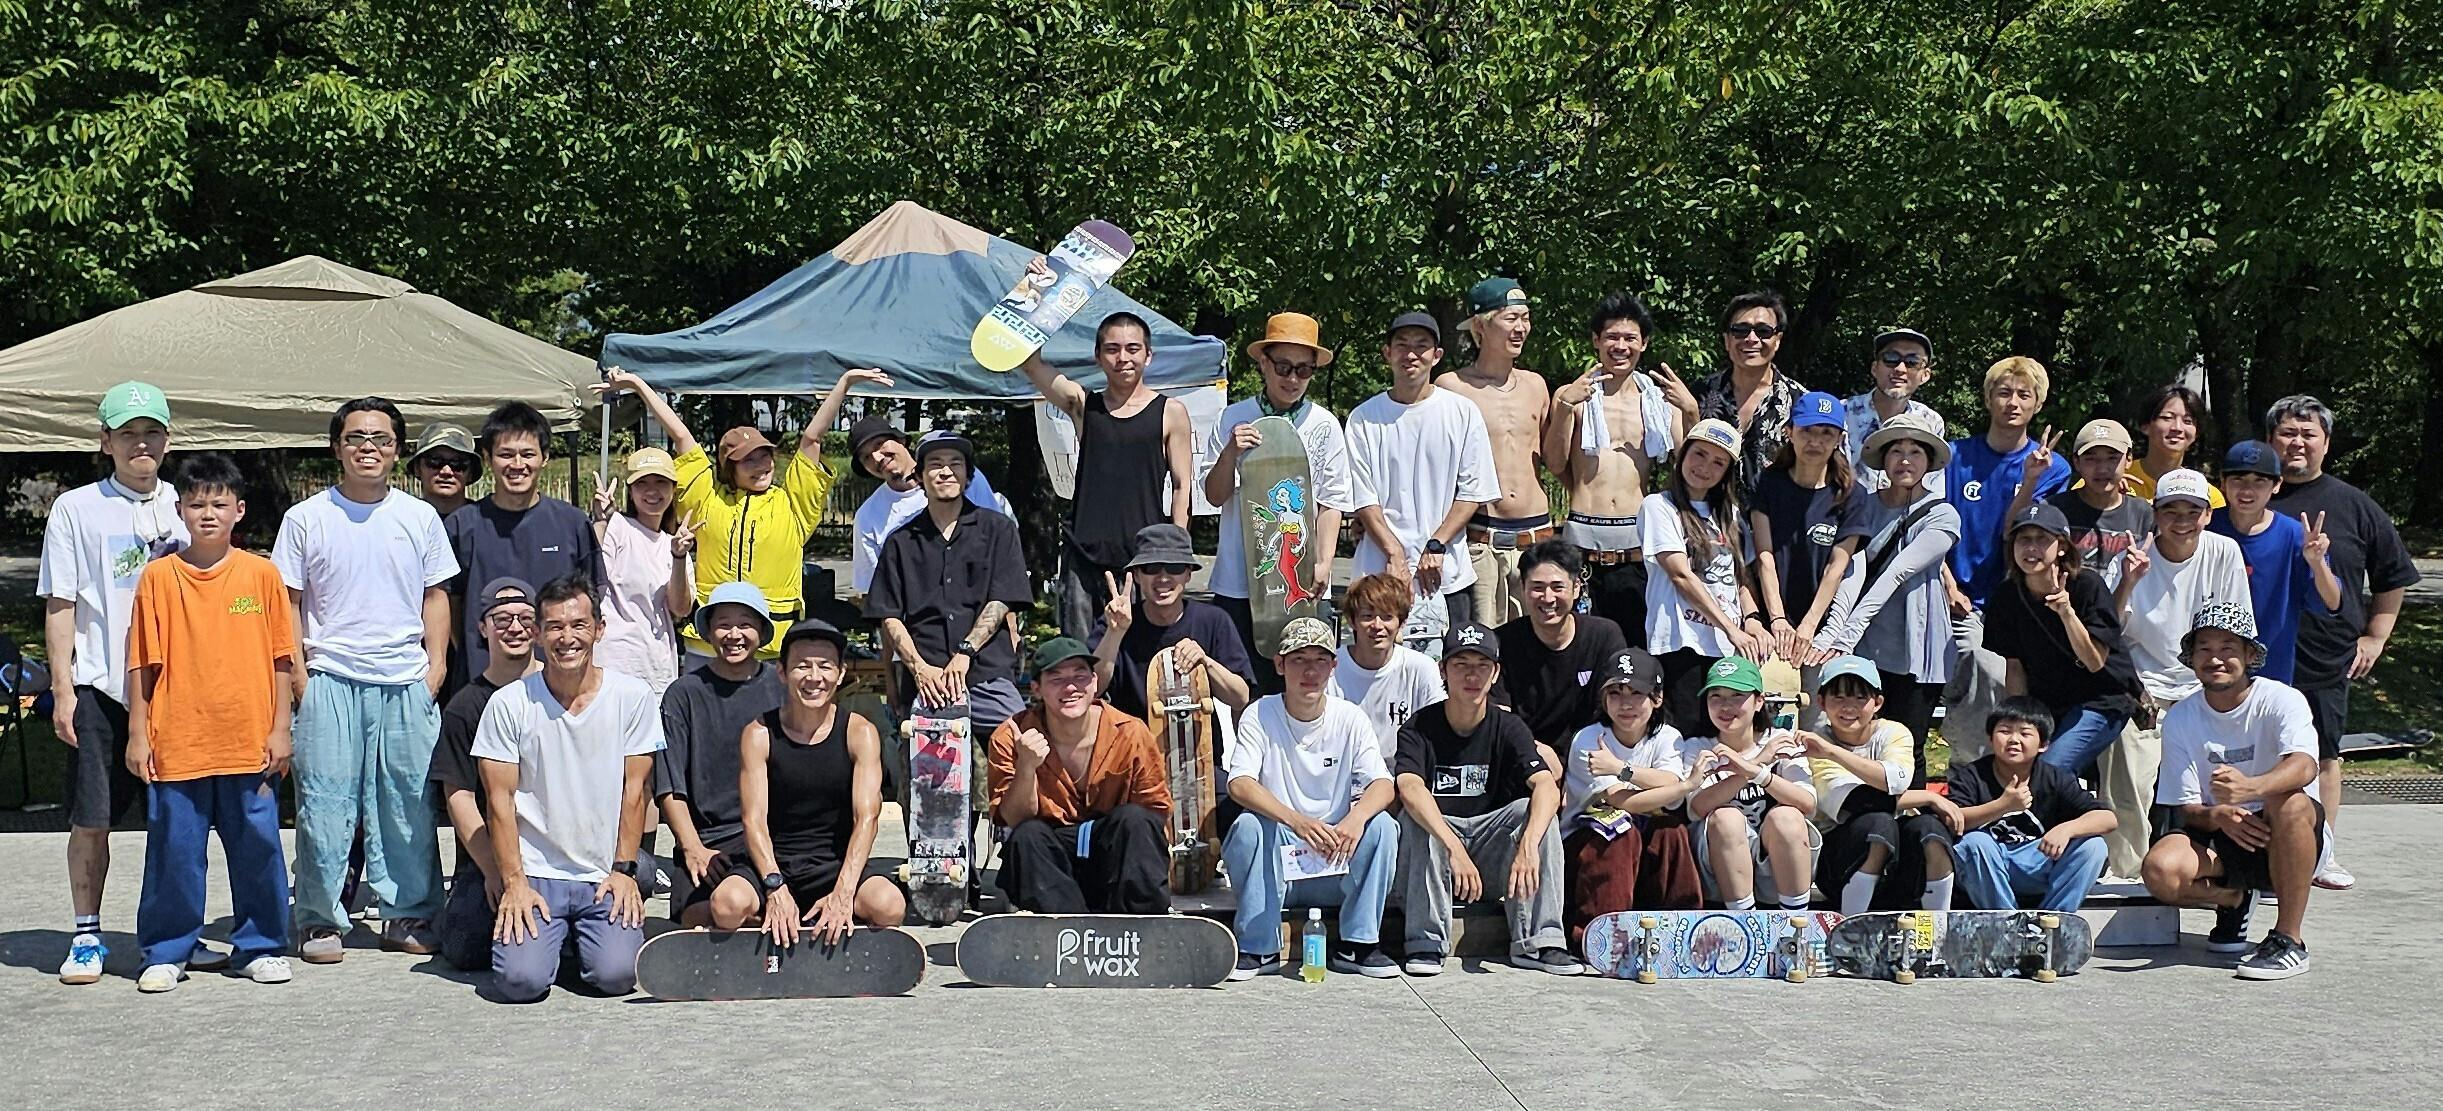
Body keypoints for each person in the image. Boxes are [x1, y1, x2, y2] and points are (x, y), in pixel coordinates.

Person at [274, 396, 457, 963]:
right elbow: (288, 603)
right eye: (356, 437)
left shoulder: (419, 517)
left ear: (397, 450)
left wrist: (435, 669)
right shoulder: (306, 518)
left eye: (380, 439)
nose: (368, 448)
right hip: (329, 677)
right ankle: (319, 919)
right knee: (324, 806)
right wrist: (300, 678)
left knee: (408, 805)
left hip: (405, 680)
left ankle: (408, 913)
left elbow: (436, 595)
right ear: (337, 448)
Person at [124, 453, 297, 991]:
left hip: (249, 741)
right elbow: (142, 663)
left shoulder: (261, 574)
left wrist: (281, 728)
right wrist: (138, 733)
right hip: (179, 739)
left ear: (238, 510)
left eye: (219, 504)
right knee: (174, 852)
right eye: (196, 504)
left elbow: (282, 659)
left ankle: (260, 946)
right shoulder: (159, 578)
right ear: (179, 510)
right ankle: (168, 950)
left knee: (258, 848)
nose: (207, 514)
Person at [40, 380, 189, 984]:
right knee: (92, 818)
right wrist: (62, 690)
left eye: (152, 432)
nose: (140, 444)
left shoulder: (184, 502)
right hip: (101, 687)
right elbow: (60, 604)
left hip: (177, 690)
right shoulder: (76, 508)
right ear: (105, 441)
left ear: (168, 440)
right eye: (127, 433)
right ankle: (86, 934)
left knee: (176, 822)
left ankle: (172, 935)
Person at [595, 364, 883, 657]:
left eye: (765, 455)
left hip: (772, 648)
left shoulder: (792, 505)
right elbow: (681, 437)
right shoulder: (707, 500)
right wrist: (638, 385)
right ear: (729, 468)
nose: (762, 465)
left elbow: (812, 438)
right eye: (748, 460)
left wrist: (844, 383)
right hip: (708, 646)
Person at [474, 574, 663, 1002]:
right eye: (555, 627)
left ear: (599, 629)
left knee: (616, 976)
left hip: (603, 871)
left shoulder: (633, 697)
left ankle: (576, 940)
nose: (567, 638)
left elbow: (635, 791)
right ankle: (552, 941)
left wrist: (624, 871)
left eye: (579, 625)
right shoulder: (509, 704)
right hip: (537, 873)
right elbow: (499, 802)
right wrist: (514, 883)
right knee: (520, 983)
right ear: (538, 635)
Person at [2264, 395, 2416, 892]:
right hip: (2255, 652)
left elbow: (2393, 574)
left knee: (2324, 754)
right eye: (2288, 433)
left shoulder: (2354, 504)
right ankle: (2258, 856)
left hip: (2327, 653)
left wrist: (2376, 635)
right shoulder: (2252, 496)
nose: (2297, 443)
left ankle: (2320, 853)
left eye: (2308, 434)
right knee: (2258, 754)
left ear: (2326, 443)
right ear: (2270, 440)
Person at [2141, 602, 2323, 980]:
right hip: (2223, 837)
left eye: (2227, 648)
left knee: (2288, 802)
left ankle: (2289, 938)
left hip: (2288, 833)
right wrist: (2219, 816)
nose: (2215, 659)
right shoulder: (2181, 716)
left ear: (2250, 655)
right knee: (2160, 869)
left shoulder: (2281, 699)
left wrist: (2250, 788)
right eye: (2204, 649)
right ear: (2192, 659)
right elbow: (2185, 806)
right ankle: (2234, 899)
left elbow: (2305, 765)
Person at [700, 620, 907, 941]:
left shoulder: (860, 732)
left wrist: (843, 892)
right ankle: (775, 923)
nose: (814, 677)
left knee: (889, 905)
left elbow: (866, 818)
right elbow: (753, 820)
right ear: (782, 672)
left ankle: (826, 918)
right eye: (802, 666)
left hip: (834, 865)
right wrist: (774, 887)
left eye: (825, 666)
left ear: (840, 673)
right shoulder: (759, 733)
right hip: (772, 863)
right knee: (727, 905)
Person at [1220, 617, 1400, 980]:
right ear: (1280, 664)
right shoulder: (1260, 713)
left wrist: (1354, 819)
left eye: (1320, 660)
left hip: (1336, 854)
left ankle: (1359, 944)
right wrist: (1298, 822)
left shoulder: (1350, 717)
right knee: (1249, 827)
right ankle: (1258, 946)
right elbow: (1239, 783)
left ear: (1333, 667)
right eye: (1299, 659)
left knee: (1382, 826)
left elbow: (1383, 784)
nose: (1310, 671)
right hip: (1279, 863)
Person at [1392, 623, 1577, 976]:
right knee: (1416, 819)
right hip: (1437, 856)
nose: (1471, 676)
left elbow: (1546, 785)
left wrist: (1528, 846)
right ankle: (1425, 942)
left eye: (1482, 666)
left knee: (1533, 813)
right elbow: (1410, 788)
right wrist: (1454, 849)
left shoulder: (1509, 726)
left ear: (1495, 674)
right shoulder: (1419, 726)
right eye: (1461, 665)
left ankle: (1541, 941)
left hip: (1490, 855)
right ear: (1443, 671)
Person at [2107, 468, 2252, 878]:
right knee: (2128, 775)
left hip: (2202, 686)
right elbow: (2109, 631)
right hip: (2141, 687)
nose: (2182, 520)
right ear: (2155, 514)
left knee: (2222, 779)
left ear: (2207, 515)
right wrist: (2128, 582)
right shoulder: (2129, 557)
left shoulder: (2224, 552)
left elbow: (2235, 629)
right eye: (2171, 510)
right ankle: (2126, 870)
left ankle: (2226, 867)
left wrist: (2216, 693)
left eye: (2193, 511)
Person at [1201, 312, 1355, 683]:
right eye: (1283, 367)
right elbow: (1214, 495)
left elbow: (1332, 501)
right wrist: (1230, 453)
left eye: (1304, 370)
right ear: (1263, 364)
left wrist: (1324, 562)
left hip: (1302, 582)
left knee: (1303, 684)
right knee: (1240, 687)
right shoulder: (1233, 417)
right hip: (1238, 583)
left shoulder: (1324, 424)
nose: (1292, 379)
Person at [1023, 313, 1194, 639]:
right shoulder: (1084, 405)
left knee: (1140, 657)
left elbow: (1182, 485)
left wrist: (1175, 551)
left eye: (1133, 348)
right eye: (1113, 349)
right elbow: (1032, 365)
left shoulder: (1171, 412)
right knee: (1080, 656)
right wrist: (1038, 303)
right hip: (1083, 556)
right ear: (1098, 357)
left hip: (1142, 560)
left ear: (1148, 355)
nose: (1123, 357)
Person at [1544, 291, 1696, 636]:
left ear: (1644, 343)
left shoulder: (1658, 401)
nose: (1621, 346)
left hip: (1636, 544)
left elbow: (1688, 465)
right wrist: (1565, 407)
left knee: (1635, 648)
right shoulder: (1573, 396)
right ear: (1596, 341)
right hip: (1582, 541)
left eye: (1630, 338)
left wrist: (1690, 411)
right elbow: (1554, 462)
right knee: (1580, 645)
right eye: (1612, 337)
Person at [1944, 357, 2072, 762]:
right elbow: (1929, 528)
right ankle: (1970, 771)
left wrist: (2031, 479)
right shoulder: (1954, 456)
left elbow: (2015, 533)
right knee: (1978, 678)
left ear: (2037, 404)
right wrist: (1948, 583)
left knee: (2013, 689)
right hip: (1961, 597)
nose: (2012, 402)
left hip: (2016, 600)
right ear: (1988, 399)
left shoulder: (2053, 467)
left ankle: (2014, 774)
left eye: (2023, 395)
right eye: (2003, 393)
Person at [1811, 412, 1959, 760]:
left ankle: (1913, 799)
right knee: (1855, 741)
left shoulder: (1943, 514)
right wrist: (1837, 635)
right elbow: (1852, 569)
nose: (1905, 460)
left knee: (1908, 745)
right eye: (1896, 451)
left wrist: (1846, 634)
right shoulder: (1863, 504)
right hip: (1864, 645)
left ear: (1929, 461)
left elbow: (1897, 572)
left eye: (1915, 452)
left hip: (1915, 647)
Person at [989, 637, 1174, 914]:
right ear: (1037, 689)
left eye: (1080, 676)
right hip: (1049, 866)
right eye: (1056, 679)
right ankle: (1065, 928)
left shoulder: (1130, 732)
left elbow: (1155, 813)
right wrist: (1026, 767)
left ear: (1095, 683)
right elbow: (1015, 819)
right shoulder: (1010, 736)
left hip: (1114, 859)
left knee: (1135, 820)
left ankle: (1141, 926)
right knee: (1027, 836)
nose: (1071, 687)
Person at [1344, 311, 1501, 639]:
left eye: (1421, 346)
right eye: (1402, 345)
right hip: (1378, 574)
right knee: (1378, 664)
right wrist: (1394, 552)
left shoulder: (1462, 412)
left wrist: (1436, 544)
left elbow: (1472, 491)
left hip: (1446, 574)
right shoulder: (1363, 418)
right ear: (1387, 353)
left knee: (1452, 665)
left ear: (1437, 355)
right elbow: (1363, 497)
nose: (1411, 354)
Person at [865, 430, 1033, 734]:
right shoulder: (900, 542)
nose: (946, 471)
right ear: (920, 476)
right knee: (924, 762)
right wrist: (917, 668)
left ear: (968, 475)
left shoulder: (998, 529)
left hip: (986, 672)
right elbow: (889, 614)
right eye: (935, 464)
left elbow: (1002, 599)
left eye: (956, 463)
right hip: (926, 678)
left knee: (1019, 743)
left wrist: (965, 653)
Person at [444, 401, 603, 689]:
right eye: (506, 455)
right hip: (483, 680)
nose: (517, 465)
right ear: (488, 458)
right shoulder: (462, 526)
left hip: (557, 683)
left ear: (545, 457)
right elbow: (448, 607)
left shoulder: (573, 524)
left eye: (527, 454)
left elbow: (590, 601)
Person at [428, 578, 541, 971]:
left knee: (641, 871)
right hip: (490, 858)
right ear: (482, 628)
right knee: (464, 948)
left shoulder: (562, 692)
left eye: (525, 618)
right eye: (502, 619)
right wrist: (496, 872)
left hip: (559, 854)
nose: (515, 627)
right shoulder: (464, 707)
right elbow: (458, 796)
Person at [1982, 503, 2142, 778]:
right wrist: (2019, 721)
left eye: (2042, 539)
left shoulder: (2087, 586)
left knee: (2050, 770)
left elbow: (2094, 661)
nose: (2031, 548)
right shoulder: (2006, 595)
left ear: (2062, 546)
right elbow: (2015, 666)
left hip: (2101, 699)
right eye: (2023, 539)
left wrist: (2067, 613)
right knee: (2017, 766)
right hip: (2046, 701)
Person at [1561, 648, 1704, 949]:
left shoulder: (1668, 737)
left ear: (1657, 698)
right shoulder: (1589, 739)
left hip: (1643, 842)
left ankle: (1682, 931)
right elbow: (1622, 801)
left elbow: (1668, 785)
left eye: (1636, 693)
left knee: (1670, 830)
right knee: (1617, 831)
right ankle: (1600, 936)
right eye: (1615, 693)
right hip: (1587, 844)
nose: (1625, 704)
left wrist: (1619, 768)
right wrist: (1684, 786)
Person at [659, 583, 783, 925]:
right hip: (709, 839)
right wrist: (692, 847)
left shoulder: (782, 687)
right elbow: (669, 785)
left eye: (745, 624)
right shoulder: (683, 694)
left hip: (774, 835)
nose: (734, 635)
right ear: (709, 631)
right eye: (724, 624)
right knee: (700, 916)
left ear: (761, 631)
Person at [1799, 658, 1958, 915]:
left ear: (1878, 703)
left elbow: (1896, 780)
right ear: (1821, 702)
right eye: (1838, 697)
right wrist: (1928, 798)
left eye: (1860, 698)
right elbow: (1856, 802)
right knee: (1878, 823)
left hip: (1897, 862)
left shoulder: (1894, 732)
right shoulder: (1816, 745)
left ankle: (1937, 927)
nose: (1849, 707)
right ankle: (1852, 925)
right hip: (1840, 863)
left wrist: (1834, 753)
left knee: (1930, 829)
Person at [1438, 277, 1556, 624]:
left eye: (1526, 318)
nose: (1521, 328)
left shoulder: (1536, 385)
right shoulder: (1452, 387)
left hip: (1537, 536)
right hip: (1482, 539)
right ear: (1480, 326)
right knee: (1482, 641)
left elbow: (1556, 459)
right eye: (1510, 318)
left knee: (1539, 640)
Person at [1641, 419, 1769, 728]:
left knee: (1725, 733)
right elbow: (1680, 576)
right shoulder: (1659, 506)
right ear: (1683, 454)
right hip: (1682, 644)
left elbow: (1740, 577)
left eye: (1718, 462)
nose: (1705, 467)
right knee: (1687, 735)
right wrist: (1731, 628)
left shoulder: (1731, 514)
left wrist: (1752, 619)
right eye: (1699, 454)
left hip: (1728, 648)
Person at [1947, 697, 2117, 912]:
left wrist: (2066, 829)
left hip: (2038, 861)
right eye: (2005, 731)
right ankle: (2006, 922)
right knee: (1974, 842)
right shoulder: (1971, 775)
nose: (2013, 740)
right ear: (1990, 738)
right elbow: (1953, 820)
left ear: (2043, 745)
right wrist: (2003, 805)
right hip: (1987, 868)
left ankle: (2051, 921)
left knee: (2093, 846)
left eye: (2025, 734)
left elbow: (2107, 818)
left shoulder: (2055, 777)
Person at [1749, 390, 1860, 699]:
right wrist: (1777, 619)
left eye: (1826, 433)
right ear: (1789, 432)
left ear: (1839, 439)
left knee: (1818, 713)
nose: (1816, 441)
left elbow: (1836, 568)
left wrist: (1810, 626)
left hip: (1823, 628)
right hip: (1769, 621)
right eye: (1807, 430)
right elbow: (1764, 556)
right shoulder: (1768, 483)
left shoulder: (1851, 494)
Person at [1684, 656, 1817, 910]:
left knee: (1787, 817)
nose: (1725, 706)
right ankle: (1744, 921)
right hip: (1718, 861)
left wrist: (1757, 772)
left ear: (1759, 701)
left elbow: (1807, 804)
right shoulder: (1698, 747)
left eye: (1737, 696)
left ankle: (1796, 922)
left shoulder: (1780, 739)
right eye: (1716, 696)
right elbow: (1698, 807)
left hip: (1776, 857)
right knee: (1726, 818)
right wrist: (1756, 764)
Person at [2209, 441, 2343, 687]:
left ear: (2277, 484)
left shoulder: (2295, 535)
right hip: (2209, 668)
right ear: (2223, 482)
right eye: (2238, 479)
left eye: (2259, 481)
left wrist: (2317, 564)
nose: (2247, 490)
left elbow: (2332, 603)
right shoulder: (2206, 527)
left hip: (2271, 673)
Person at [1090, 523, 1254, 719]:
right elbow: (1092, 689)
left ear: (1188, 574)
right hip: (1133, 737)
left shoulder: (1214, 620)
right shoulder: (1115, 621)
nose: (1163, 578)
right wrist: (1115, 634)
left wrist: (1205, 662)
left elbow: (1240, 698)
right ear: (1137, 575)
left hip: (1201, 738)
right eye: (1151, 568)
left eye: (1175, 567)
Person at [1490, 542, 1630, 755]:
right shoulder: (1501, 642)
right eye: (1537, 588)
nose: (1548, 598)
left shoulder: (1604, 636)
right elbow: (1498, 719)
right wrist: (1536, 755)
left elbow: (1613, 709)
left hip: (1591, 751)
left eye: (1557, 587)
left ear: (1576, 588)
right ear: (1523, 588)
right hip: (1523, 753)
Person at [847, 416, 1008, 595]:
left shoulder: (959, 478)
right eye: (866, 457)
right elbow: (873, 589)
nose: (877, 457)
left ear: (901, 440)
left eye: (879, 444)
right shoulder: (867, 517)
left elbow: (998, 544)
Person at [588, 447, 694, 695]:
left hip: (656, 669)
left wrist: (679, 556)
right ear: (631, 491)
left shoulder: (676, 545)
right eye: (642, 483)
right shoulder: (617, 526)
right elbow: (591, 579)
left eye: (661, 482)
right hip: (610, 666)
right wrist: (600, 521)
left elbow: (680, 609)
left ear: (673, 489)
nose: (652, 491)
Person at [1693, 290, 1809, 501]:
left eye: (1763, 331)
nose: (1751, 339)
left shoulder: (1801, 402)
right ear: (1727, 340)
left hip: (1776, 517)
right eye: (1740, 330)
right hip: (1706, 515)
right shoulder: (1698, 395)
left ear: (1777, 340)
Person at [1327, 573, 1446, 760]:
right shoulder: (1329, 668)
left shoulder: (1422, 668)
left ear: (1402, 622)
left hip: (1405, 770)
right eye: (1367, 616)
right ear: (1352, 621)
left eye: (1387, 617)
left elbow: (1439, 728)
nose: (1377, 625)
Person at [2048, 419, 2154, 598]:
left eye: (2113, 458)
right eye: (2091, 458)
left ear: (2128, 459)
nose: (2102, 468)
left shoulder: (2144, 514)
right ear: (2076, 462)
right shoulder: (2054, 510)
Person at [1841, 328, 1945, 495]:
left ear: (1925, 375)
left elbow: (1932, 487)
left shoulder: (1931, 421)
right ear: (1874, 368)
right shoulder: (1842, 414)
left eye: (1912, 362)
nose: (1900, 368)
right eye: (1891, 358)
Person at [2124, 383, 2224, 506]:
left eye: (2187, 421)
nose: (2177, 428)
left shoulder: (2208, 496)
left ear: (2196, 432)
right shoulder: (2118, 479)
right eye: (2167, 418)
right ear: (2145, 426)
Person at [408, 422, 481, 520]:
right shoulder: (402, 520)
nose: (446, 471)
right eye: (435, 461)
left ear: (470, 472)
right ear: (417, 468)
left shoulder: (486, 522)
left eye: (457, 463)